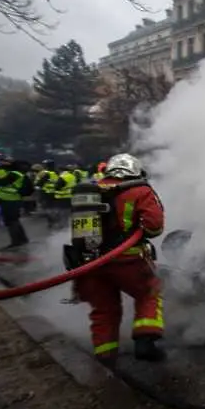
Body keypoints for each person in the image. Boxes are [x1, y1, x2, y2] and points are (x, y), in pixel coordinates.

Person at [72, 153, 166, 365]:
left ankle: (106, 358)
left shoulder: (89, 189)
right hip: (128, 260)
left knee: (104, 309)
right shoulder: (140, 190)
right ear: (135, 170)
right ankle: (145, 341)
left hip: (89, 263)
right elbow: (154, 226)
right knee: (149, 292)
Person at [0, 159, 29, 248]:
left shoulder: (4, 173)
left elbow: (1, 182)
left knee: (11, 222)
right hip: (13, 199)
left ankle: (16, 242)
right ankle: (23, 239)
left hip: (8, 200)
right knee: (15, 220)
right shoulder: (13, 173)